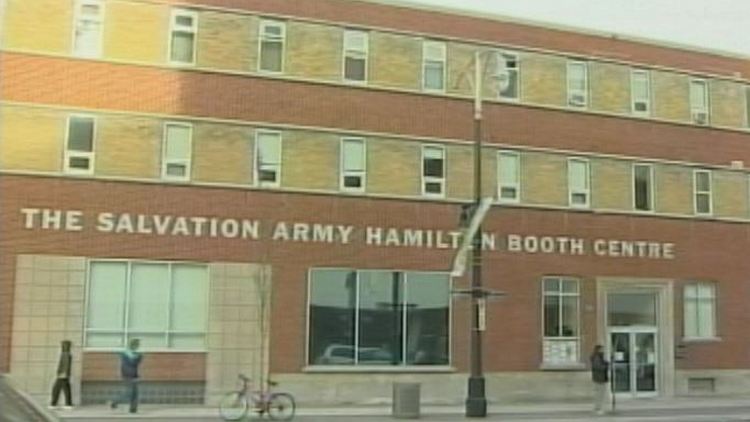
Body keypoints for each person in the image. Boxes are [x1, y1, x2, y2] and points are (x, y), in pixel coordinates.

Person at [110, 338, 143, 414]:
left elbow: (135, 365)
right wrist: (139, 357)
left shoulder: (132, 354)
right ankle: (115, 402)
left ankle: (133, 409)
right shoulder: (128, 354)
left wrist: (136, 375)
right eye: (137, 345)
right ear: (133, 345)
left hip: (133, 375)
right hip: (128, 375)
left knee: (135, 393)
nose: (138, 346)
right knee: (129, 393)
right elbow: (132, 364)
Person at [49, 340, 73, 410]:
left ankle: (54, 404)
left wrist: (63, 374)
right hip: (64, 375)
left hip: (62, 375)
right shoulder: (67, 354)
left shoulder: (65, 354)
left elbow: (65, 365)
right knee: (66, 389)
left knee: (56, 389)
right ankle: (68, 404)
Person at [590, 344, 610, 415]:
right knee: (599, 395)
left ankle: (598, 408)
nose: (603, 350)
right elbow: (599, 367)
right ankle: (598, 409)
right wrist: (606, 365)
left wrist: (606, 363)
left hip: (600, 378)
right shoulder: (596, 357)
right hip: (599, 379)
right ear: (598, 350)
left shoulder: (599, 357)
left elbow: (602, 364)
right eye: (602, 349)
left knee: (600, 394)